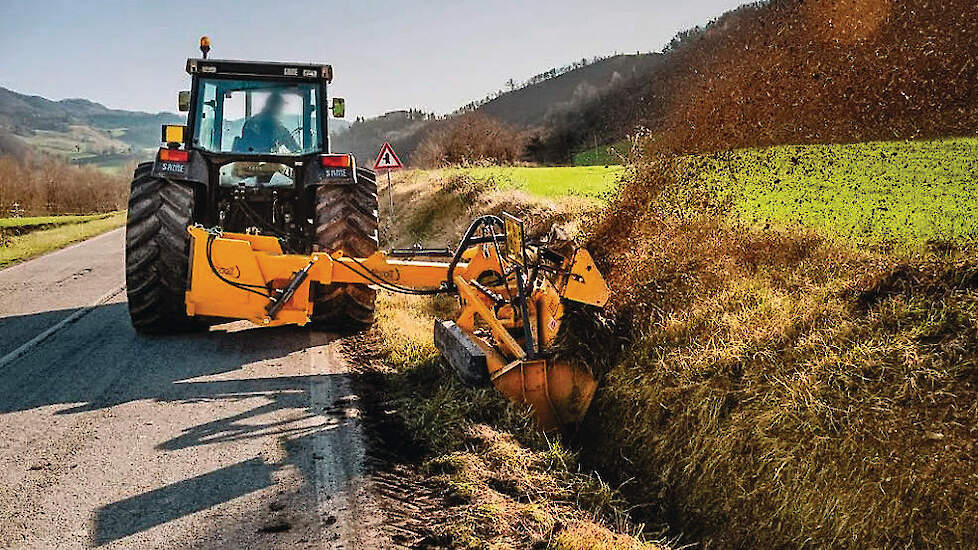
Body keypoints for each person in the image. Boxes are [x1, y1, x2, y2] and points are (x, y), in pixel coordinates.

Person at [235, 92, 299, 153]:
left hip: (245, 160)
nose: (281, 110)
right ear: (275, 107)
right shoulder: (276, 127)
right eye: (281, 107)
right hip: (266, 161)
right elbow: (294, 148)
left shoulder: (249, 122)